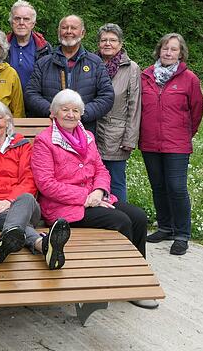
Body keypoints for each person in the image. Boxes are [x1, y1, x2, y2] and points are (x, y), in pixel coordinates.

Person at [30, 89, 156, 309]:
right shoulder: (44, 141)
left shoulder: (87, 136)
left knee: (138, 216)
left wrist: (98, 191)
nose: (70, 114)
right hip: (63, 206)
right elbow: (45, 184)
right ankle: (122, 283)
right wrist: (85, 197)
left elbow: (101, 169)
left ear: (81, 114)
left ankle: (138, 279)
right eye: (65, 110)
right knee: (120, 221)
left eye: (75, 110)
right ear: (53, 113)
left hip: (94, 197)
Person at [0, 100, 70, 269]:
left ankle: (6, 239)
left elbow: (29, 179)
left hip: (25, 205)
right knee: (18, 225)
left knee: (25, 198)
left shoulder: (22, 145)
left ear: (7, 121)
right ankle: (43, 244)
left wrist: (10, 200)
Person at [140, 33, 203, 256]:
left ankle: (182, 234)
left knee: (176, 188)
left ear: (180, 53)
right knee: (158, 187)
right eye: (165, 48)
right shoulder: (145, 76)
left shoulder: (190, 79)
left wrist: (184, 135)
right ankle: (165, 227)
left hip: (176, 144)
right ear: (159, 51)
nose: (168, 53)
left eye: (173, 49)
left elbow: (196, 112)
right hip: (149, 142)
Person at [25, 15, 114, 135]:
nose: (68, 31)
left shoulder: (95, 63)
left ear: (82, 33)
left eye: (73, 28)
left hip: (84, 131)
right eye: (64, 28)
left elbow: (107, 96)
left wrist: (80, 114)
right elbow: (31, 94)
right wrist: (53, 111)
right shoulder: (43, 63)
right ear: (59, 32)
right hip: (50, 130)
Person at [93, 23, 141, 203]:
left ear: (120, 44)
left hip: (116, 135)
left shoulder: (130, 68)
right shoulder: (91, 63)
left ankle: (122, 219)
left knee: (116, 180)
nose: (107, 44)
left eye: (112, 40)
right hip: (91, 131)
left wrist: (130, 138)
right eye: (104, 40)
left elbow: (134, 104)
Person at [6, 0, 52, 87]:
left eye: (26, 19)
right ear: (11, 22)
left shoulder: (44, 48)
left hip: (34, 99)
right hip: (6, 99)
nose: (21, 23)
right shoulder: (0, 46)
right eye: (17, 18)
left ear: (33, 24)